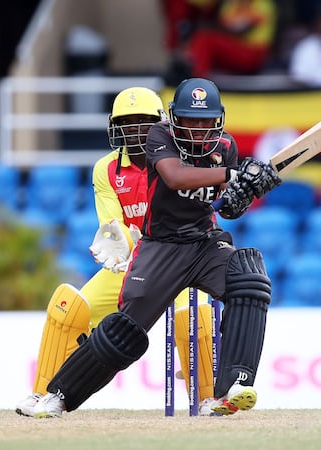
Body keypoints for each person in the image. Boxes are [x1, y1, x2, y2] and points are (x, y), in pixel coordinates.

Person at [32, 77, 281, 418]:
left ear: (218, 120)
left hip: (204, 243)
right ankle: (59, 395)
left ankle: (233, 385)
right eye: (190, 121)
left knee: (249, 278)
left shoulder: (225, 147)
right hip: (161, 247)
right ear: (174, 118)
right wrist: (234, 174)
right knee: (123, 333)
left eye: (206, 121)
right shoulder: (159, 137)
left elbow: (226, 208)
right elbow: (176, 177)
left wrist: (251, 189)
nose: (198, 130)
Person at [15, 87, 217, 417]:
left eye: (144, 122)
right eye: (128, 122)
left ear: (161, 125)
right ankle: (43, 393)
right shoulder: (106, 169)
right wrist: (119, 240)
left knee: (193, 315)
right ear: (114, 126)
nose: (136, 130)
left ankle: (209, 397)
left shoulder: (180, 159)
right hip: (136, 262)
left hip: (182, 261)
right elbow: (113, 223)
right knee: (68, 307)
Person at [178, 0, 277, 78]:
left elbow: (240, 28)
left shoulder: (263, 4)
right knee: (202, 39)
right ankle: (193, 73)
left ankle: (198, 82)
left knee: (205, 40)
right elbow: (223, 25)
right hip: (235, 51)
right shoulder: (232, 4)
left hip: (254, 53)